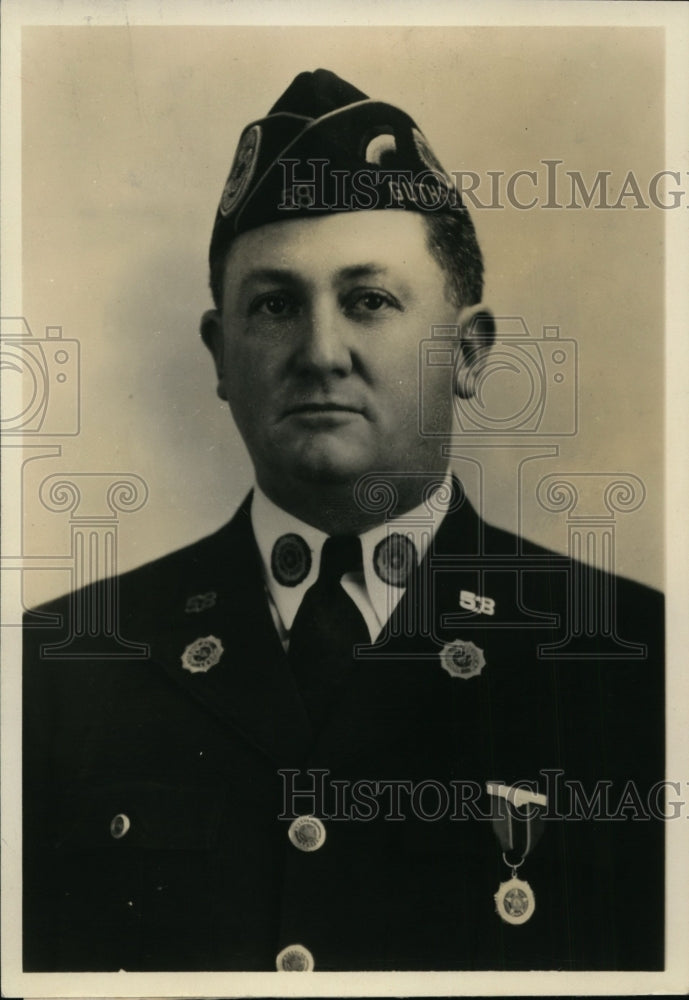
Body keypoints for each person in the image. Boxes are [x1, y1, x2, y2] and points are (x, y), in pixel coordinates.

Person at [23, 69, 664, 974]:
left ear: (467, 353)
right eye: (275, 305)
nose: (320, 353)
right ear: (220, 355)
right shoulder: (60, 666)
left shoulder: (637, 663)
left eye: (369, 301)